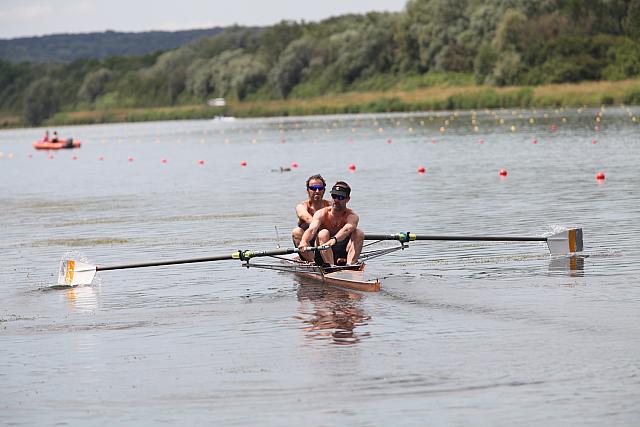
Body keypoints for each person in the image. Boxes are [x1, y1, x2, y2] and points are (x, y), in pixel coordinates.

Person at [298, 181, 364, 266]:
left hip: (342, 251)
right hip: (322, 253)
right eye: (334, 196)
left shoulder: (352, 216)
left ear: (348, 199)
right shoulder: (321, 213)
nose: (336, 200)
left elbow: (346, 229)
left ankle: (351, 265)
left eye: (340, 197)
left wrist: (334, 240)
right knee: (323, 233)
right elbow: (312, 230)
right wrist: (304, 241)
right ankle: (331, 267)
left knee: (359, 233)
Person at [292, 174, 331, 247]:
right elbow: (306, 217)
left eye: (320, 188)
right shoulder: (302, 206)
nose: (317, 191)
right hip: (308, 244)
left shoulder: (330, 206)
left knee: (323, 233)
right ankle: (309, 258)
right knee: (296, 231)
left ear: (324, 190)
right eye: (313, 188)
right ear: (308, 190)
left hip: (327, 242)